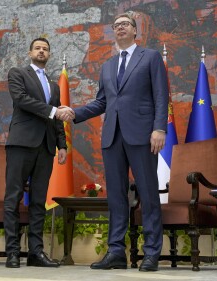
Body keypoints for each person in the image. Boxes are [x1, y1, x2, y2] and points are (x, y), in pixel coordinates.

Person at [71, 13, 168, 271]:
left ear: (135, 31)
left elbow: (161, 94)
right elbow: (102, 102)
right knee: (115, 197)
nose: (120, 28)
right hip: (112, 136)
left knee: (148, 194)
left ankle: (151, 253)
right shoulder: (108, 66)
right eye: (116, 26)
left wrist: (159, 128)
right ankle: (115, 251)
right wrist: (74, 113)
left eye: (125, 24)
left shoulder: (151, 57)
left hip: (143, 134)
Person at [4, 37, 74, 268]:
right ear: (30, 52)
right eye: (37, 48)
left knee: (38, 201)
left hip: (46, 148)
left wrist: (62, 145)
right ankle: (13, 252)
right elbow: (21, 100)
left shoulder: (54, 86)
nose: (41, 51)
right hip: (21, 143)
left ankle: (36, 253)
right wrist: (54, 110)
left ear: (49, 54)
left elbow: (56, 121)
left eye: (45, 49)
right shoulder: (17, 73)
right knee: (13, 197)